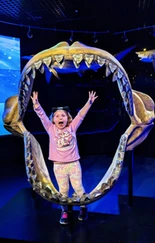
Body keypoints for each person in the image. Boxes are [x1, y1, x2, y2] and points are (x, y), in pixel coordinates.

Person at [31, 90, 98, 225]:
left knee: (78, 188)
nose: (60, 118)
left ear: (68, 118)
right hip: (59, 165)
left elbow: (81, 115)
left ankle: (83, 207)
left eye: (63, 115)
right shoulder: (51, 129)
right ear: (53, 119)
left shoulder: (72, 127)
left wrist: (89, 102)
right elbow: (42, 116)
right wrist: (37, 105)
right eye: (57, 116)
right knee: (63, 191)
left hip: (73, 164)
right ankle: (65, 211)